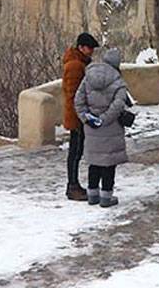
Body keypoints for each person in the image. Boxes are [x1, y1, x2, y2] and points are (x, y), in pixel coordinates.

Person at [75, 49, 130, 208]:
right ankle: (106, 196)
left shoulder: (88, 77)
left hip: (91, 128)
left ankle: (92, 195)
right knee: (108, 163)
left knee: (94, 162)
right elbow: (118, 105)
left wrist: (86, 118)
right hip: (111, 127)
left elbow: (78, 101)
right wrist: (104, 120)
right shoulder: (118, 81)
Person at [62, 32, 99, 200]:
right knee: (75, 152)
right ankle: (72, 186)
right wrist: (81, 115)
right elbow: (74, 95)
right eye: (89, 48)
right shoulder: (76, 66)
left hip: (78, 114)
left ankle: (74, 184)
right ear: (81, 47)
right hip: (77, 116)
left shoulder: (79, 63)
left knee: (76, 151)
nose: (91, 51)